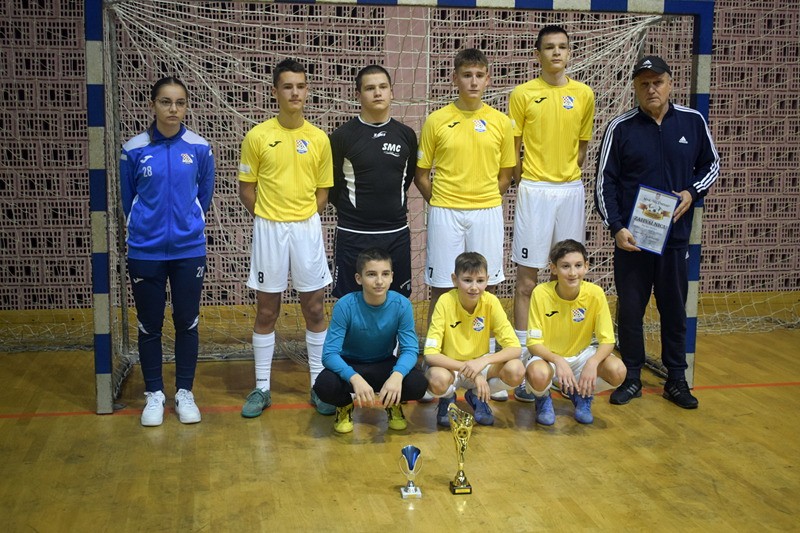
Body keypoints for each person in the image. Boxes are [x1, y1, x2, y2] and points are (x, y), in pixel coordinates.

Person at [594, 55, 720, 409]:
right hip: (633, 241)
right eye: (644, 84)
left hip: (675, 240)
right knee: (630, 310)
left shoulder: (692, 122)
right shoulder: (620, 128)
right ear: (636, 88)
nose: (652, 89)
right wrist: (616, 227)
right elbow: (604, 183)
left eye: (658, 82)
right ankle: (632, 376)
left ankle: (676, 379)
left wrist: (692, 192)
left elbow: (711, 164)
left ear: (670, 83)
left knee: (674, 309)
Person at [238, 59, 335, 418]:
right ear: (275, 91)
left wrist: (300, 217)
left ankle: (319, 385)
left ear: (307, 90)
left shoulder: (319, 139)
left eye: (301, 86)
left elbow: (323, 193)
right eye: (288, 86)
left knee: (315, 308)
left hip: (306, 229)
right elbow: (246, 190)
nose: (295, 92)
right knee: (267, 310)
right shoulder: (257, 136)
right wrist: (271, 217)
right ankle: (262, 388)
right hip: (269, 230)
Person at [119, 77, 215, 426]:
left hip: (189, 250)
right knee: (149, 325)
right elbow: (128, 200)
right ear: (153, 105)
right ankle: (154, 394)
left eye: (179, 102)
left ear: (186, 106)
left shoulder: (200, 148)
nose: (173, 109)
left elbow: (203, 195)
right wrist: (148, 228)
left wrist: (186, 225)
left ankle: (184, 392)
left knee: (187, 322)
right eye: (165, 102)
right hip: (145, 251)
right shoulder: (133, 149)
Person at [508, 25, 596, 402]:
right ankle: (526, 362)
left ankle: (565, 360)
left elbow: (581, 150)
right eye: (549, 47)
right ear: (538, 54)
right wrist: (529, 180)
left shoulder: (584, 94)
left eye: (562, 47)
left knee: (568, 278)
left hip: (570, 191)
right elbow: (512, 149)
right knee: (527, 281)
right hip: (534, 190)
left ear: (569, 52)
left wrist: (565, 176)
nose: (556, 53)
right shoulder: (522, 94)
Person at [414, 48, 515, 330]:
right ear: (454, 78)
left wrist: (485, 197)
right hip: (445, 212)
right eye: (467, 75)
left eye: (479, 75)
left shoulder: (501, 122)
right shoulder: (436, 120)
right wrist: (441, 202)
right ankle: (436, 348)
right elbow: (421, 175)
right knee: (442, 287)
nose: (473, 81)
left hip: (487, 212)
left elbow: (506, 175)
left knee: (486, 285)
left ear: (488, 79)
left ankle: (486, 347)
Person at [313, 248, 429, 433]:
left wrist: (397, 375)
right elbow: (329, 354)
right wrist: (354, 377)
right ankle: (344, 406)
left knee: (418, 384)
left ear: (392, 277)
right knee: (324, 386)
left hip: (384, 364)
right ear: (359, 278)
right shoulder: (345, 305)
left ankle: (392, 402)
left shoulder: (402, 304)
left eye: (385, 274)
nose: (379, 281)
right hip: (351, 364)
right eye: (371, 274)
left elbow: (410, 349)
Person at [328, 65, 417, 298]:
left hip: (395, 232)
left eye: (383, 87)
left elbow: (406, 178)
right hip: (353, 232)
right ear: (358, 95)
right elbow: (332, 186)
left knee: (397, 300)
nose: (377, 93)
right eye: (370, 88)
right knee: (349, 300)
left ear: (391, 92)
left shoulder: (406, 135)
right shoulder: (342, 136)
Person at [524, 240, 627, 425]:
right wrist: (557, 360)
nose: (572, 273)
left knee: (617, 370)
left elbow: (607, 340)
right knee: (538, 374)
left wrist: (593, 363)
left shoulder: (595, 293)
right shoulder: (541, 293)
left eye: (578, 265)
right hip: (549, 357)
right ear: (553, 269)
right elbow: (533, 343)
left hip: (581, 355)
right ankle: (543, 398)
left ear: (586, 266)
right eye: (565, 266)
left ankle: (582, 394)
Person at [423, 252, 524, 427]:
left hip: (480, 364)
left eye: (480, 280)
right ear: (455, 280)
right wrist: (472, 372)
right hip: (451, 367)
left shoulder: (491, 301)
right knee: (436, 378)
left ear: (487, 280)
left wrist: (484, 361)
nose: (474, 287)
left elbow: (515, 348)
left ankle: (477, 396)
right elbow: (430, 355)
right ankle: (447, 398)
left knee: (516, 369)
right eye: (467, 280)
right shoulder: (445, 302)